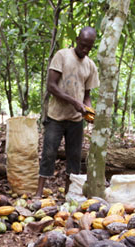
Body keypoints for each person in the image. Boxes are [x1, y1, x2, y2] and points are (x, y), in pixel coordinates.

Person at [35, 27, 100, 199]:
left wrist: (89, 111)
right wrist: (74, 102)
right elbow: (51, 86)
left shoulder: (90, 66)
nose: (85, 49)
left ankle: (68, 194)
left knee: (74, 158)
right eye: (83, 45)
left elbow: (87, 96)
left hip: (76, 120)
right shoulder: (62, 56)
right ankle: (39, 192)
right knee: (49, 153)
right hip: (56, 116)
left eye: (89, 47)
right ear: (77, 39)